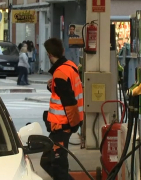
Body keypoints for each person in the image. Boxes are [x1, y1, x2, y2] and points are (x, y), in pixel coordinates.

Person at [40, 37, 84, 180]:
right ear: (63, 51)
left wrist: (73, 125)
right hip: (63, 125)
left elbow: (69, 102)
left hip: (62, 126)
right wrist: (51, 86)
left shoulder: (60, 74)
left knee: (57, 166)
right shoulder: (70, 67)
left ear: (49, 55)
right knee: (49, 161)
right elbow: (67, 93)